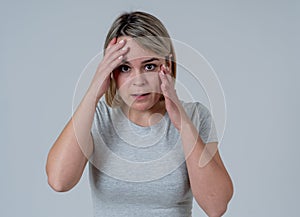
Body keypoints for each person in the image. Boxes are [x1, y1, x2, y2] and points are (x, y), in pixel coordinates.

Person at [46, 11, 233, 217]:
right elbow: (59, 181)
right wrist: (93, 92)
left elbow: (216, 206)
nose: (138, 81)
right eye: (124, 68)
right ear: (111, 73)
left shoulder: (196, 115)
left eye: (149, 66)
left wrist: (182, 123)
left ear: (167, 66)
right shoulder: (99, 117)